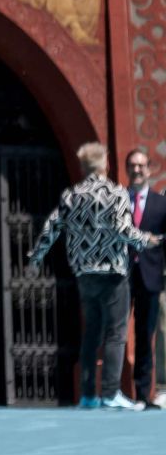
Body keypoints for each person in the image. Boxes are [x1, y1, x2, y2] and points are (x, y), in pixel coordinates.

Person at [31, 142, 160, 410]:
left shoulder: (71, 195)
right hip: (113, 273)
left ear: (82, 166)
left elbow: (51, 228)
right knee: (116, 333)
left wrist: (36, 256)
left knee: (91, 333)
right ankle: (111, 392)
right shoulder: (115, 193)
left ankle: (88, 395)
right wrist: (146, 240)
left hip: (84, 273)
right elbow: (125, 230)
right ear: (106, 165)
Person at [125, 149, 166, 408]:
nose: (137, 170)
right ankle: (111, 393)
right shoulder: (115, 201)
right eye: (133, 165)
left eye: (141, 166)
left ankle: (142, 394)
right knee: (116, 333)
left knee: (145, 334)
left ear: (149, 170)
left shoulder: (161, 204)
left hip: (151, 276)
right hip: (121, 276)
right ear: (127, 169)